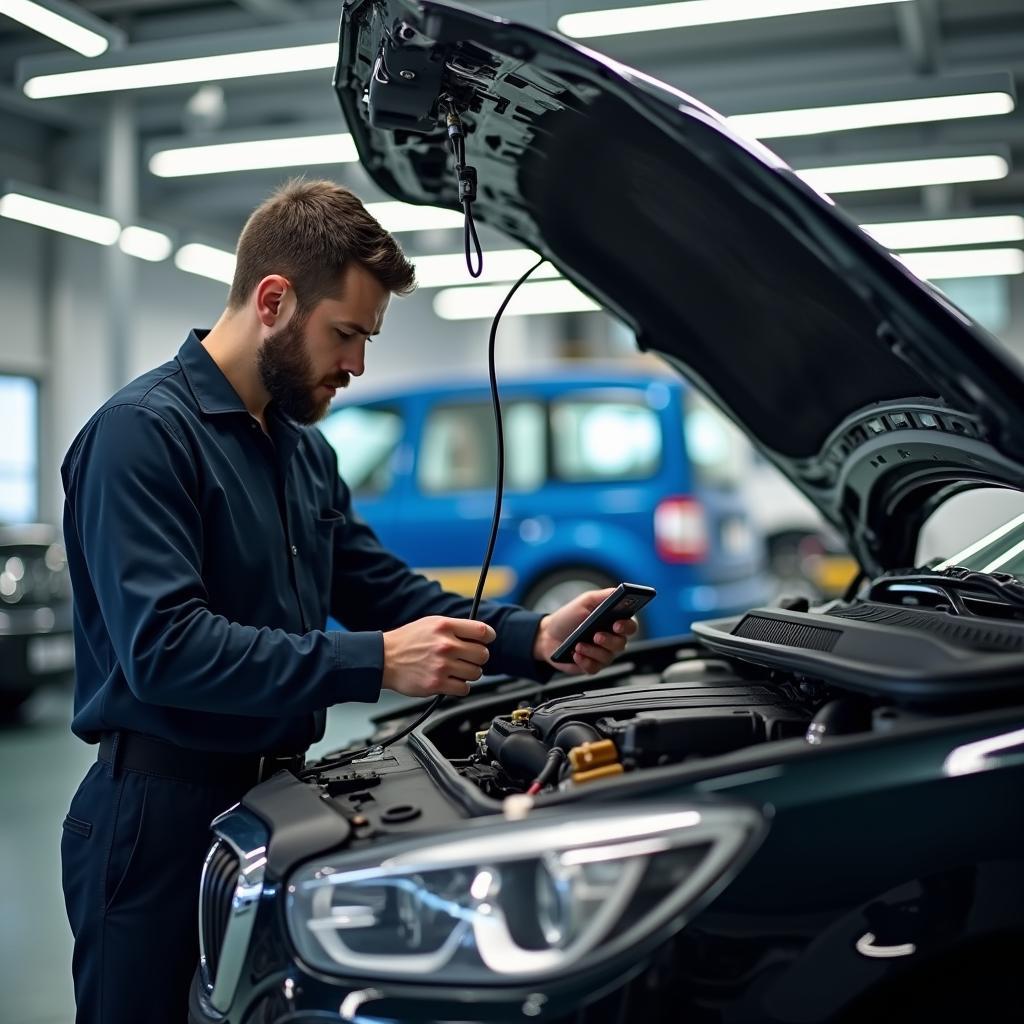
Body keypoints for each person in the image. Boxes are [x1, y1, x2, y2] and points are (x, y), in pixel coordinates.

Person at [58, 179, 637, 1024]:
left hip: (273, 807)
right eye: (347, 334)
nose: (358, 364)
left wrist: (530, 637)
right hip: (153, 822)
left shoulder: (299, 451)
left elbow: (378, 588)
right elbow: (165, 649)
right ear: (272, 299)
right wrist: (374, 662)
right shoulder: (142, 434)